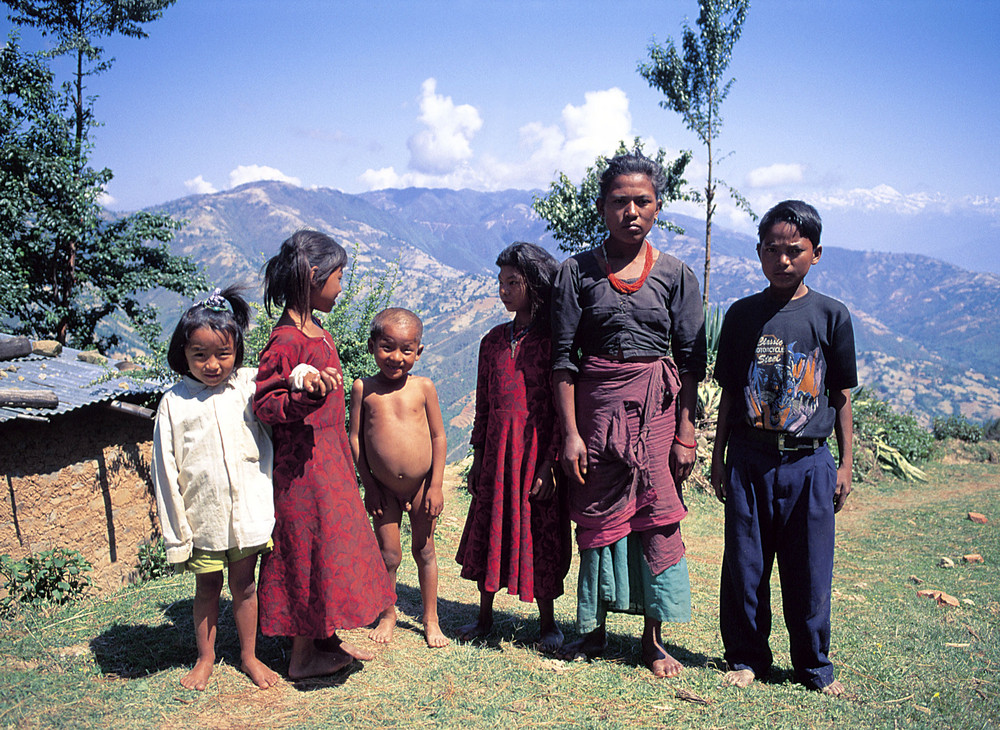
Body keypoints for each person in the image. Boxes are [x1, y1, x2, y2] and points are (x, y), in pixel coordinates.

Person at [550, 151, 706, 678]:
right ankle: (593, 629)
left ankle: (653, 639)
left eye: (642, 201)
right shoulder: (576, 273)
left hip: (657, 417)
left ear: (658, 207)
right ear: (602, 207)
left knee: (655, 520)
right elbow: (563, 360)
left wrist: (686, 434)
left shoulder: (677, 276)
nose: (631, 211)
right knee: (596, 520)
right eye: (620, 202)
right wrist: (570, 434)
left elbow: (690, 362)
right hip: (595, 416)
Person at [710, 200, 856, 696]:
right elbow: (731, 392)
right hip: (750, 459)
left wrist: (845, 465)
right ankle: (747, 658)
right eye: (772, 250)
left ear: (816, 254)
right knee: (745, 568)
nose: (783, 260)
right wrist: (718, 460)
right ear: (758, 252)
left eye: (795, 250)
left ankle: (814, 665)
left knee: (810, 571)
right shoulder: (742, 315)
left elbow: (838, 396)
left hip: (811, 462)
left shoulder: (832, 316)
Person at [254, 230, 395, 679]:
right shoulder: (286, 340)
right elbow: (266, 403)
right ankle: (301, 657)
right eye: (338, 277)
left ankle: (325, 637)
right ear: (314, 277)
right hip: (303, 468)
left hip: (328, 456)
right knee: (308, 547)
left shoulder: (315, 331)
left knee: (332, 543)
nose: (341, 286)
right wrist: (305, 398)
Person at [152, 287, 279, 691]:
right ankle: (205, 658)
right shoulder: (174, 402)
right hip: (202, 517)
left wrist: (304, 376)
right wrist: (177, 531)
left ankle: (248, 655)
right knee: (208, 587)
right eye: (199, 355)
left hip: (246, 514)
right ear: (183, 354)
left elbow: (282, 381)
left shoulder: (247, 386)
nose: (212, 364)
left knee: (244, 586)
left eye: (222, 354)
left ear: (237, 351)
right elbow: (164, 467)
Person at [455, 242, 572, 652]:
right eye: (500, 282)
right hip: (497, 454)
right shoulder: (492, 342)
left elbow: (561, 410)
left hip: (534, 453)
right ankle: (484, 615)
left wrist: (550, 464)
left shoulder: (554, 341)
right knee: (491, 526)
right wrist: (478, 458)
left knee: (539, 531)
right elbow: (484, 406)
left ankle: (547, 622)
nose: (503, 291)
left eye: (513, 282)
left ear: (535, 285)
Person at [348, 307, 449, 648]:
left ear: (419, 351)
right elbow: (356, 439)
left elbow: (438, 436)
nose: (396, 357)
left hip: (422, 486)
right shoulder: (364, 388)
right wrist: (370, 485)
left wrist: (435, 485)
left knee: (425, 550)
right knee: (389, 554)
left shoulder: (424, 387)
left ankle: (430, 618)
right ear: (371, 345)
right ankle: (388, 614)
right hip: (384, 490)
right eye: (387, 347)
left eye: (407, 350)